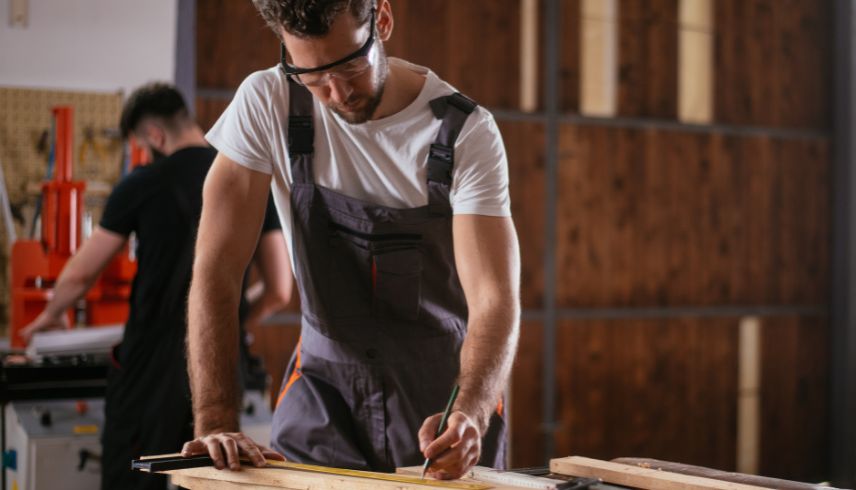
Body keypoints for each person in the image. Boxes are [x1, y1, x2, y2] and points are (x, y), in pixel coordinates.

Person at [181, 0, 520, 480]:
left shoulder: (465, 132)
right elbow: (217, 272)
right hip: (323, 394)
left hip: (440, 404)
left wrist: (472, 412)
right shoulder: (267, 101)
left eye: (349, 66)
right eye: (312, 76)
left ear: (381, 20)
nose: (336, 93)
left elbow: (494, 300)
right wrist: (215, 421)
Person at [21, 83, 292, 490]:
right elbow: (279, 288)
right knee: (211, 478)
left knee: (136, 479)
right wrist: (228, 326)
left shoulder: (142, 183)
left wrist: (51, 315)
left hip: (149, 370)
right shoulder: (247, 177)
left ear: (153, 136)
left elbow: (80, 274)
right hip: (219, 368)